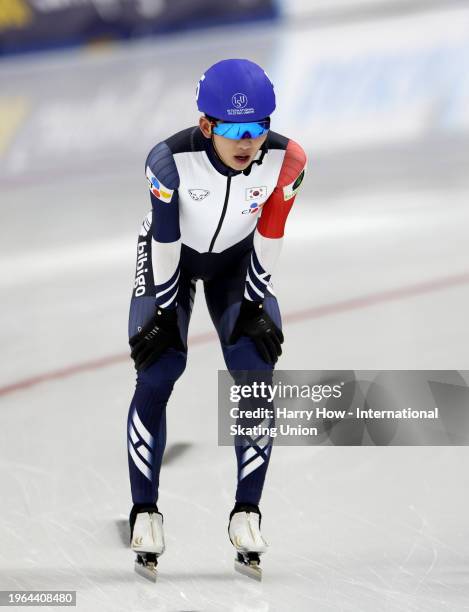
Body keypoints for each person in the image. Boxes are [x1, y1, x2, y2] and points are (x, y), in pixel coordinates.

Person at [126, 58, 307, 579]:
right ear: (207, 126)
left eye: (260, 127)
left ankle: (247, 511)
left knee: (255, 374)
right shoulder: (168, 162)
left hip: (237, 262)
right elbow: (163, 240)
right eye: (235, 129)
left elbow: (271, 232)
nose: (249, 141)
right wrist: (161, 313)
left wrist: (253, 302)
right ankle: (145, 511)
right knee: (159, 369)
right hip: (173, 260)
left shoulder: (288, 160)